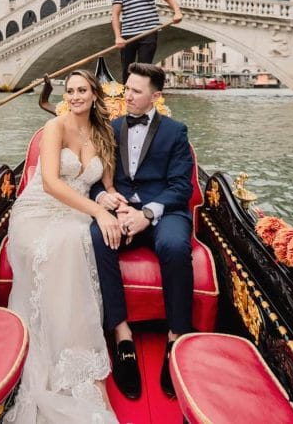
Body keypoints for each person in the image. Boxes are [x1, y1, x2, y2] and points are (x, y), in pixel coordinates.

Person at [4, 70, 121, 423]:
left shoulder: (103, 134)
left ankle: (78, 357)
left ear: (94, 94)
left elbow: (107, 186)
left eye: (82, 90)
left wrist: (119, 205)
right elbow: (53, 184)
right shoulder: (55, 128)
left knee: (77, 237)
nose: (74, 96)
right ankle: (60, 355)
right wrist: (99, 211)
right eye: (69, 91)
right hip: (37, 210)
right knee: (70, 241)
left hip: (76, 212)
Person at [89, 63, 195, 400]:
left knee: (176, 247)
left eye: (136, 91)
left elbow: (181, 187)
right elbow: (94, 180)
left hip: (164, 211)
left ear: (156, 95)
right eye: (127, 88)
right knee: (96, 236)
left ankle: (176, 336)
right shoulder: (111, 128)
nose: (127, 95)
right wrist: (110, 203)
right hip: (121, 210)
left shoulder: (176, 131)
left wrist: (146, 214)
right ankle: (122, 335)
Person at [111, 0, 183, 83]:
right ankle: (127, 97)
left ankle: (142, 97)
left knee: (144, 69)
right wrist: (118, 36)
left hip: (148, 32)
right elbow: (115, 15)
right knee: (127, 70)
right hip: (128, 35)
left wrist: (177, 12)